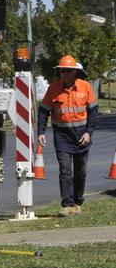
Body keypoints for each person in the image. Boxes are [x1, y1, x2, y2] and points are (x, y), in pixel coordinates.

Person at [37, 55, 98, 217]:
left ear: (75, 72)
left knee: (81, 172)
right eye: (62, 71)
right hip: (62, 136)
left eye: (67, 71)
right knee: (65, 171)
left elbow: (93, 112)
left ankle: (78, 202)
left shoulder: (85, 87)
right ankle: (67, 204)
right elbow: (43, 111)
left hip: (82, 136)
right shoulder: (53, 89)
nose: (64, 73)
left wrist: (88, 133)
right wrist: (41, 131)